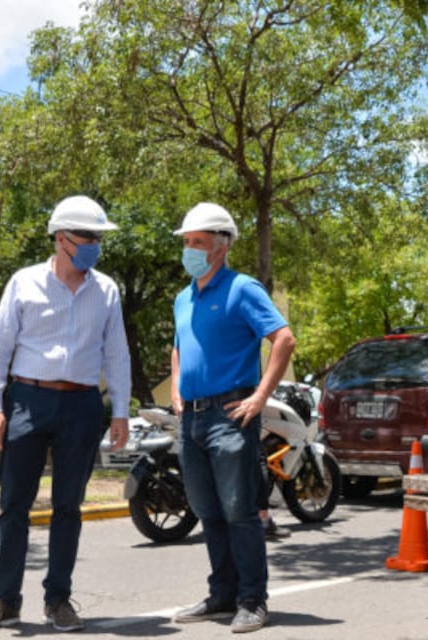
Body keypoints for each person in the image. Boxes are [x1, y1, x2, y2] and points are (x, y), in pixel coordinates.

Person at [0, 195, 131, 634]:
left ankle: (58, 600)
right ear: (61, 239)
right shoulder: (24, 282)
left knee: (68, 507)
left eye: (97, 237)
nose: (94, 244)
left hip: (82, 405)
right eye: (86, 236)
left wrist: (121, 411)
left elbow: (117, 353)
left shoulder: (106, 289)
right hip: (27, 402)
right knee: (13, 505)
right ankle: (5, 600)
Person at [169, 202, 296, 634]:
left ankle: (252, 601)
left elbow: (283, 339)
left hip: (231, 414)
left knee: (241, 512)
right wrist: (175, 390)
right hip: (193, 421)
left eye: (197, 243)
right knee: (208, 511)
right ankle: (222, 593)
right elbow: (179, 346)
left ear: (221, 247)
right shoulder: (183, 297)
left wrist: (260, 396)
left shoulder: (243, 289)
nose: (189, 250)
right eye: (186, 242)